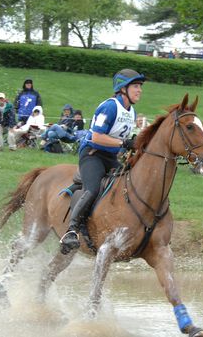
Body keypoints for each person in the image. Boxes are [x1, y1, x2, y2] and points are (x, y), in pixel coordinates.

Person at [60, 68, 145, 254]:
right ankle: (71, 231)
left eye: (140, 87)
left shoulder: (131, 111)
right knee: (92, 189)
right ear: (123, 88)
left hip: (111, 157)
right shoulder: (110, 106)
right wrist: (125, 142)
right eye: (136, 86)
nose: (140, 90)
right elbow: (97, 137)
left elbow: (122, 140)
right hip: (92, 154)